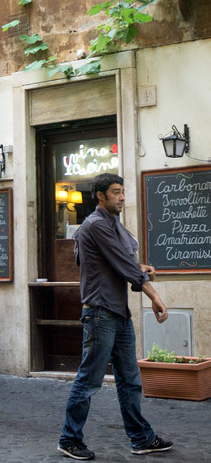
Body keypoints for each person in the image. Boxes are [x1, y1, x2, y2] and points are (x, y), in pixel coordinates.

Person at [57, 173, 173, 460]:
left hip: (118, 312)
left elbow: (120, 261)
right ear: (100, 195)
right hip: (100, 314)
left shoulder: (112, 225)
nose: (122, 197)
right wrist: (154, 295)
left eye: (123, 192)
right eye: (116, 192)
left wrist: (141, 267)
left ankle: (141, 439)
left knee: (130, 380)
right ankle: (69, 439)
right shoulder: (95, 225)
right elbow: (122, 263)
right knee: (89, 379)